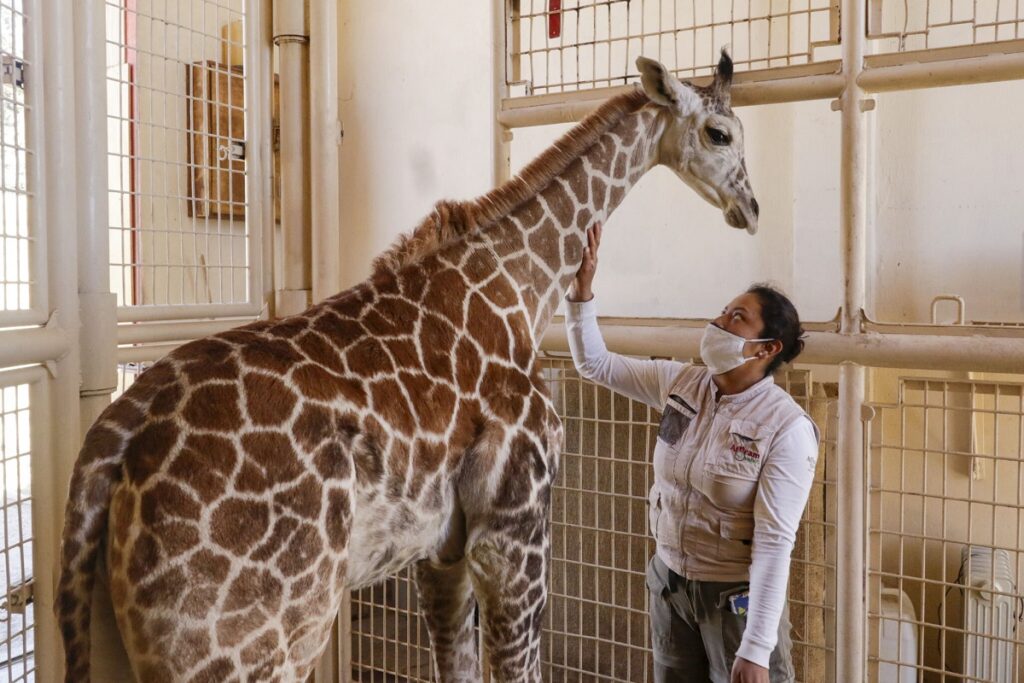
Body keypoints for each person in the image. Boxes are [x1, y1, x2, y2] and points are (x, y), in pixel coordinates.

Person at [565, 224, 820, 683]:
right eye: (724, 311)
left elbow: (775, 541)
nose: (719, 321)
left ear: (767, 348)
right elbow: (594, 363)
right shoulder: (683, 383)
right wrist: (581, 293)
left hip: (734, 602)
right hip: (669, 585)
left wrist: (757, 649)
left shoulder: (786, 428)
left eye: (737, 317)